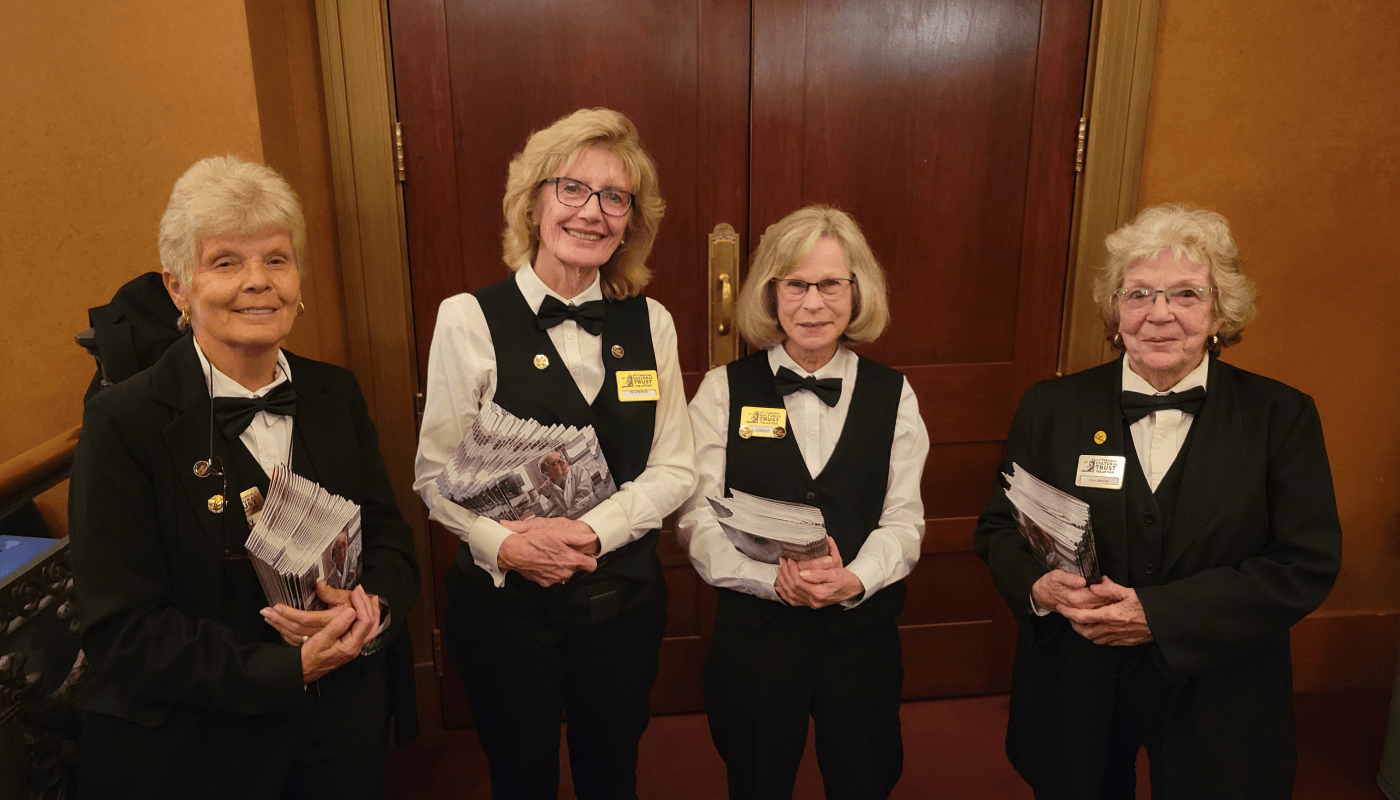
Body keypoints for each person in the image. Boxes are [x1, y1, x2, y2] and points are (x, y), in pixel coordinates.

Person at [67, 155, 419, 799]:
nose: (259, 282)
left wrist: (375, 607)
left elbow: (390, 538)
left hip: (343, 730)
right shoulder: (123, 422)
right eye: (226, 262)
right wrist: (285, 669)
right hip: (203, 745)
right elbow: (122, 628)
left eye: (277, 259)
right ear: (179, 287)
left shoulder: (335, 393)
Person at [974, 204, 1342, 799]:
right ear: (1116, 312)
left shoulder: (1281, 416)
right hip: (1079, 678)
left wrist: (1161, 617)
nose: (1159, 314)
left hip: (1219, 681)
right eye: (1139, 293)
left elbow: (1305, 563)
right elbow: (999, 528)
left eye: (1186, 294)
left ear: (1221, 312)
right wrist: (1036, 587)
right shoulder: (1050, 407)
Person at [413, 107, 696, 799]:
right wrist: (503, 546)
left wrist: (587, 530)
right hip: (506, 605)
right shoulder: (467, 318)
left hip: (620, 600)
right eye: (572, 188)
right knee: (519, 776)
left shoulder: (650, 322)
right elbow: (434, 479)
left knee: (613, 770)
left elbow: (676, 466)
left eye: (614, 197)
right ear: (534, 201)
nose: (591, 212)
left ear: (631, 220)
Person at [677, 205, 929, 799]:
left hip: (859, 635)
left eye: (830, 284)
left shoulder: (894, 395)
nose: (813, 304)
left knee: (865, 775)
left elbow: (904, 521)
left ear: (856, 290)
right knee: (757, 778)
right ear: (770, 293)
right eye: (795, 284)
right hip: (757, 636)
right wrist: (769, 580)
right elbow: (696, 518)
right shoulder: (722, 390)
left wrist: (855, 579)